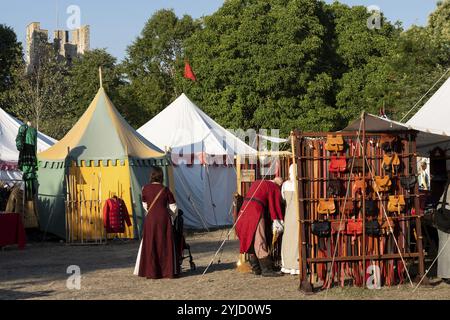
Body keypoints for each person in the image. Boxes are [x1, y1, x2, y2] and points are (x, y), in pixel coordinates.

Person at [134, 167, 178, 279]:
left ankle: (152, 272)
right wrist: (172, 216)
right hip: (164, 219)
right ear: (161, 176)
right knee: (164, 243)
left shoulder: (145, 188)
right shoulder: (165, 189)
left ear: (151, 176)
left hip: (151, 220)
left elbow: (145, 205)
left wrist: (151, 212)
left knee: (151, 243)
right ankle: (167, 271)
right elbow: (174, 207)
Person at [235, 177, 284, 277]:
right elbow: (274, 205)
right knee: (259, 238)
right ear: (278, 184)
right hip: (255, 211)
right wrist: (277, 219)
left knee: (251, 239)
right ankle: (266, 269)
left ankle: (256, 267)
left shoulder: (258, 182)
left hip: (244, 211)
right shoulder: (273, 186)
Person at [281, 165, 300, 275]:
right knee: (295, 240)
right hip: (296, 215)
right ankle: (295, 266)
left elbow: (283, 198)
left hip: (289, 215)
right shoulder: (299, 184)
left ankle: (289, 265)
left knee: (289, 240)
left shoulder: (285, 185)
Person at [436, 173, 450, 284]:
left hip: (443, 212)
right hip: (445, 215)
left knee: (445, 245)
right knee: (445, 245)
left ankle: (445, 274)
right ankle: (446, 275)